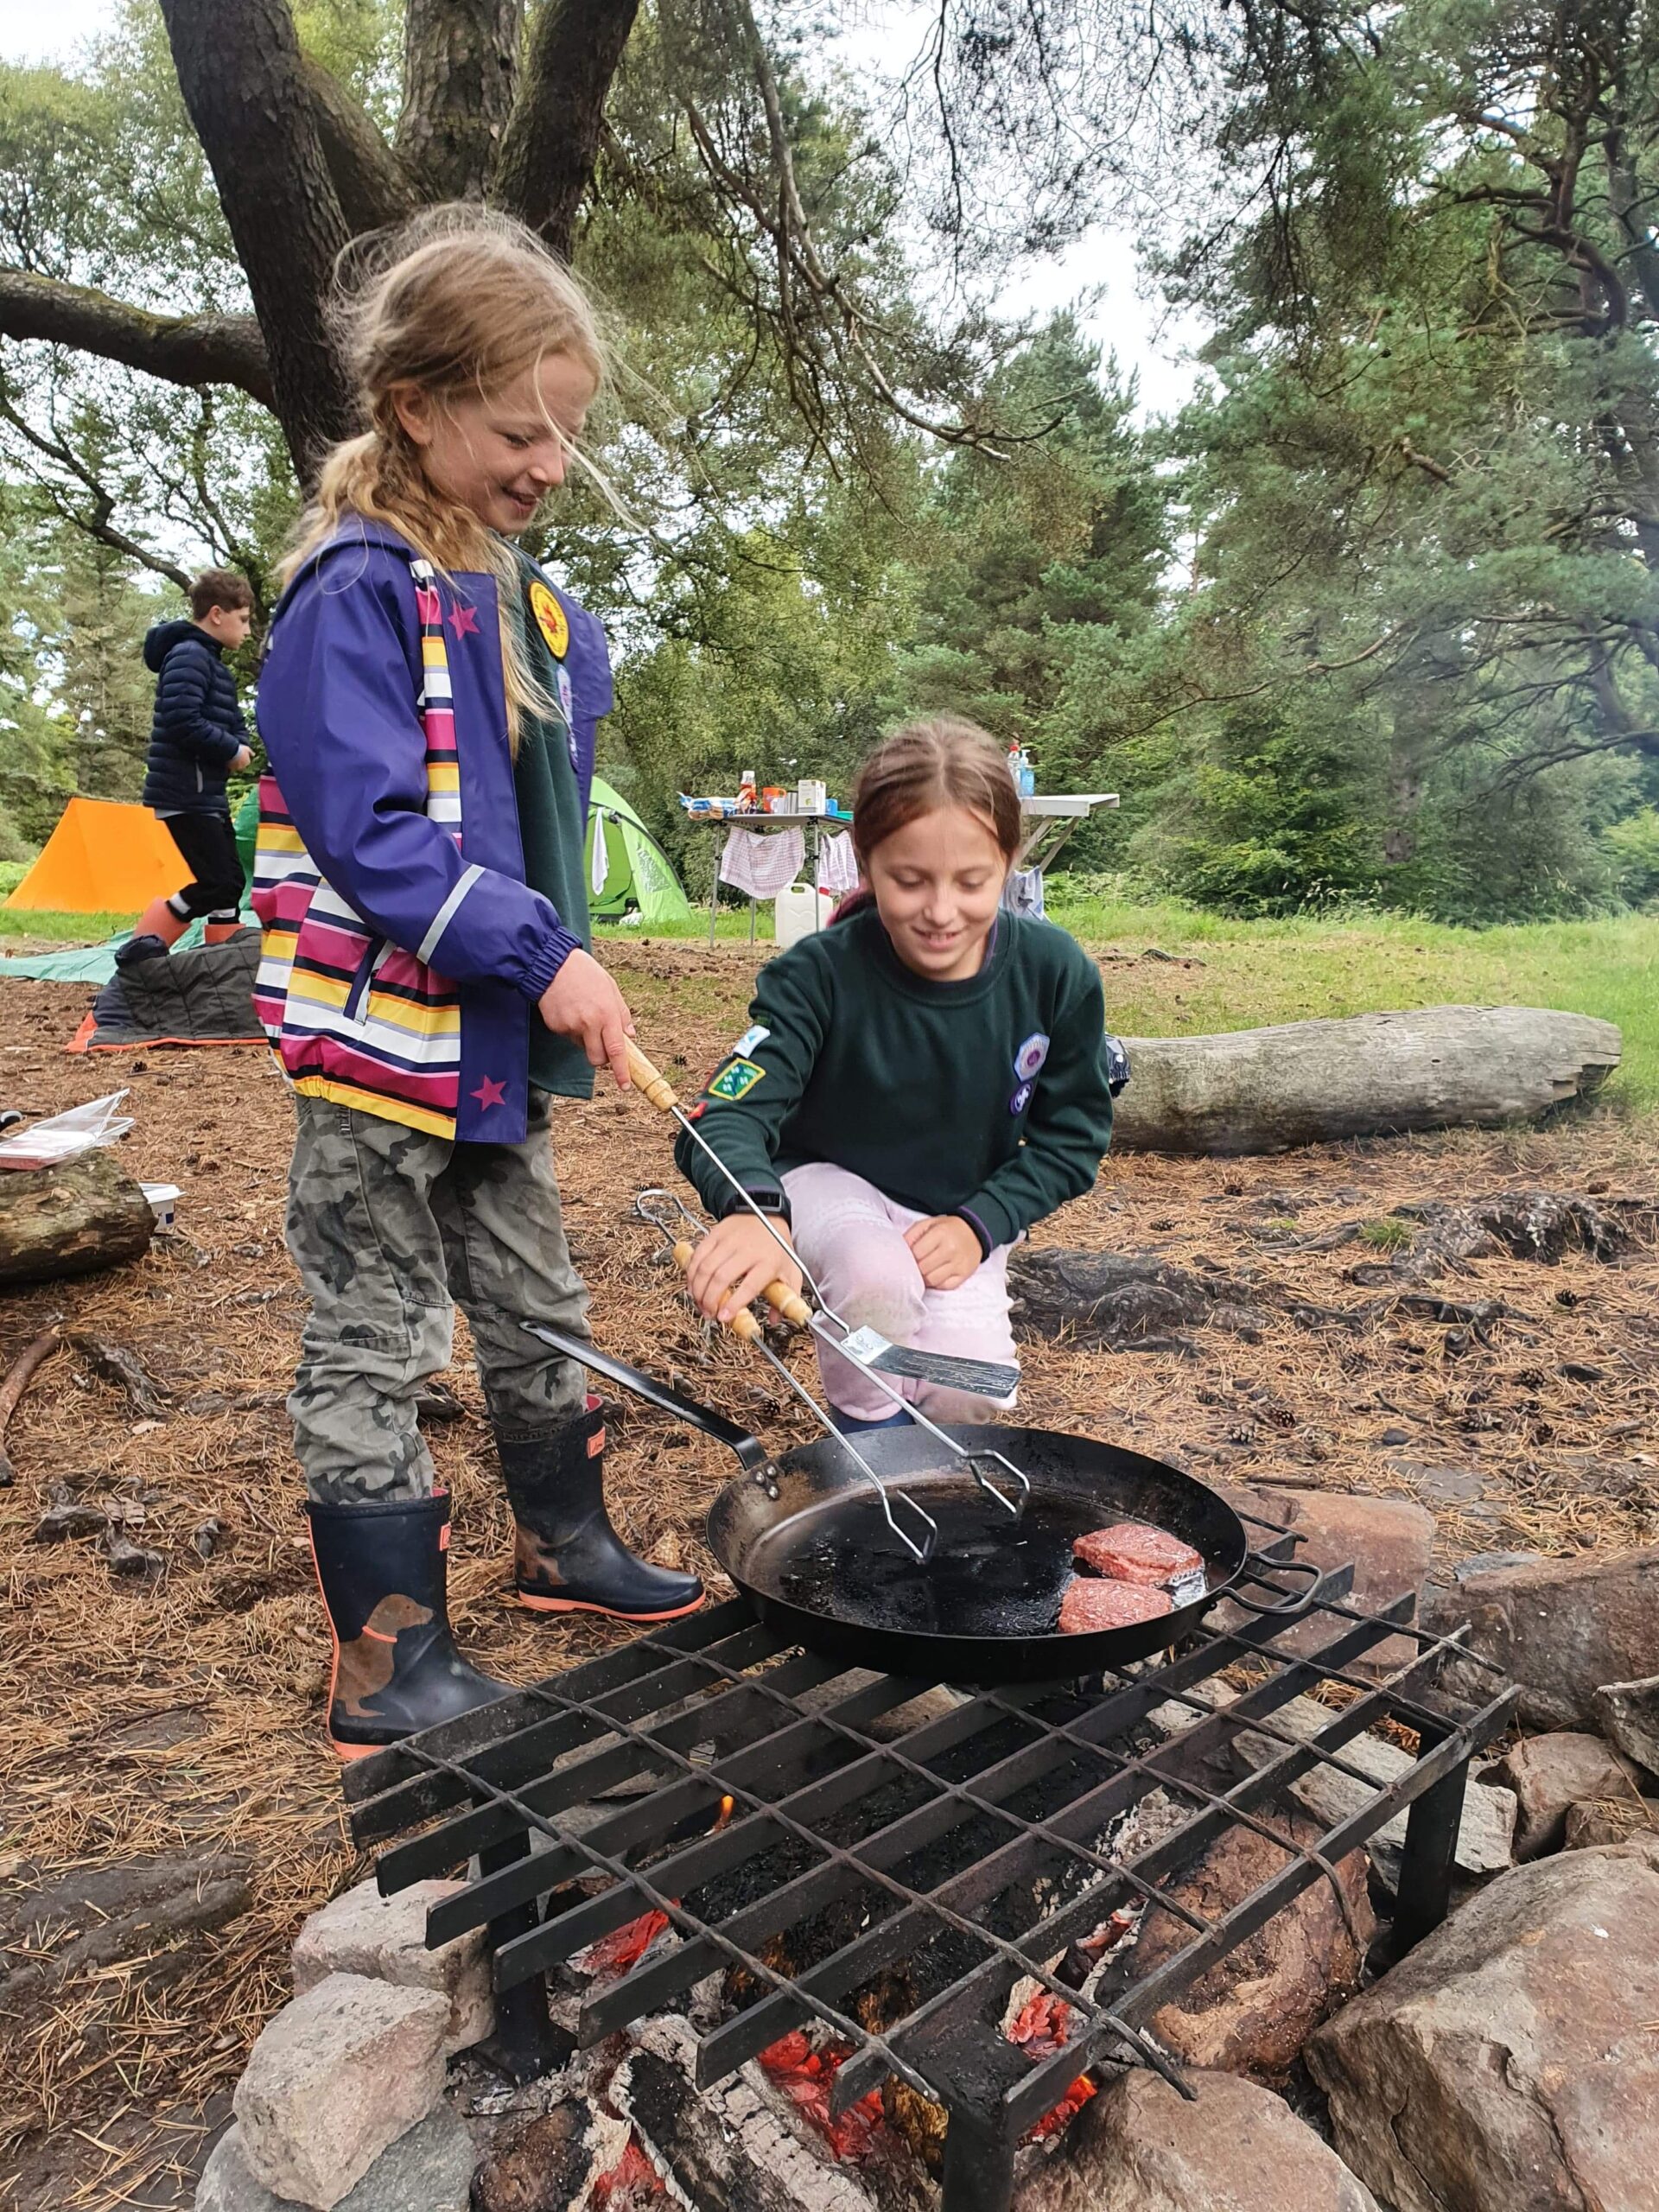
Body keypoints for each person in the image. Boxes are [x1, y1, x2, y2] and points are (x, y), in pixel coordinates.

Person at [251, 207, 701, 1761]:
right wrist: (544, 952)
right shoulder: (351, 592)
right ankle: (391, 1663)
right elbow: (373, 834)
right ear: (415, 406)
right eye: (521, 431)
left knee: (536, 1298)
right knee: (377, 1333)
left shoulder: (497, 591)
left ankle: (566, 1544)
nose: (550, 464)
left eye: (565, 434)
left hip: (488, 1049)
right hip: (377, 1053)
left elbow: (531, 793)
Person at [676, 717, 1116, 1427]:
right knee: (874, 1282)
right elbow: (725, 1112)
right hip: (827, 1182)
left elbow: (1073, 1140)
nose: (941, 912)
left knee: (969, 1388)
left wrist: (982, 1224)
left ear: (1009, 860)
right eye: (908, 881)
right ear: (866, 861)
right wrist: (755, 1209)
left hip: (960, 1209)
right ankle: (867, 1444)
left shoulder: (1055, 974)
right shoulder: (816, 977)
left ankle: (928, 1465)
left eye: (972, 882)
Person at [125, 569, 256, 963]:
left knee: (230, 882)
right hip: (185, 793)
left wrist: (241, 744)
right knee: (218, 882)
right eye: (243, 619)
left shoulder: (213, 664)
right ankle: (137, 958)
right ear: (216, 614)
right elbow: (182, 719)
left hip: (205, 793)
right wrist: (230, 750)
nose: (248, 630)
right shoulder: (189, 655)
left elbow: (231, 720)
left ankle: (221, 966)